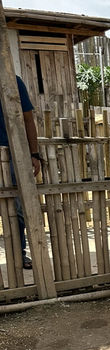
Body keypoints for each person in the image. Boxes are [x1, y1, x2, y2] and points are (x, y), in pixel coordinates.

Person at [0, 75, 41, 269]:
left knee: (17, 210)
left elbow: (28, 119)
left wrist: (34, 153)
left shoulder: (13, 81)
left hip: (13, 155)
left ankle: (19, 254)